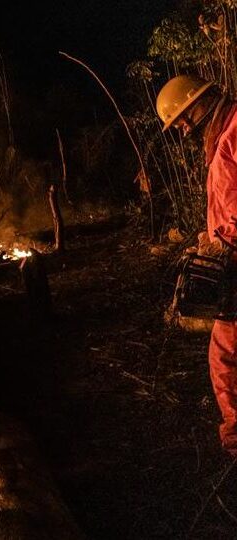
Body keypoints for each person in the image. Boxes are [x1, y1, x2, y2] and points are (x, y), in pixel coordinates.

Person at [157, 75, 237, 454]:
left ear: (199, 102)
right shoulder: (221, 137)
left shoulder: (235, 129)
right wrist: (211, 241)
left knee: (226, 356)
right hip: (231, 260)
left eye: (184, 119)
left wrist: (227, 241)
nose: (185, 129)